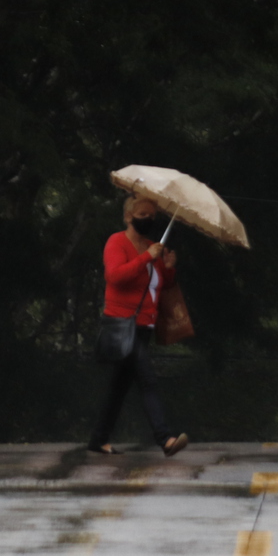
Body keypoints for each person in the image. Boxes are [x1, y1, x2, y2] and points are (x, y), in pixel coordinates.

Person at [88, 196, 189, 457]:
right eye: (143, 214)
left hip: (144, 327)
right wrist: (146, 257)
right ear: (128, 216)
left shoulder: (152, 248)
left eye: (153, 215)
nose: (149, 219)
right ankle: (165, 438)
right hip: (123, 325)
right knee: (147, 380)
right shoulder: (117, 242)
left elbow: (158, 285)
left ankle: (98, 439)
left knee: (118, 387)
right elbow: (115, 276)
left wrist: (167, 268)